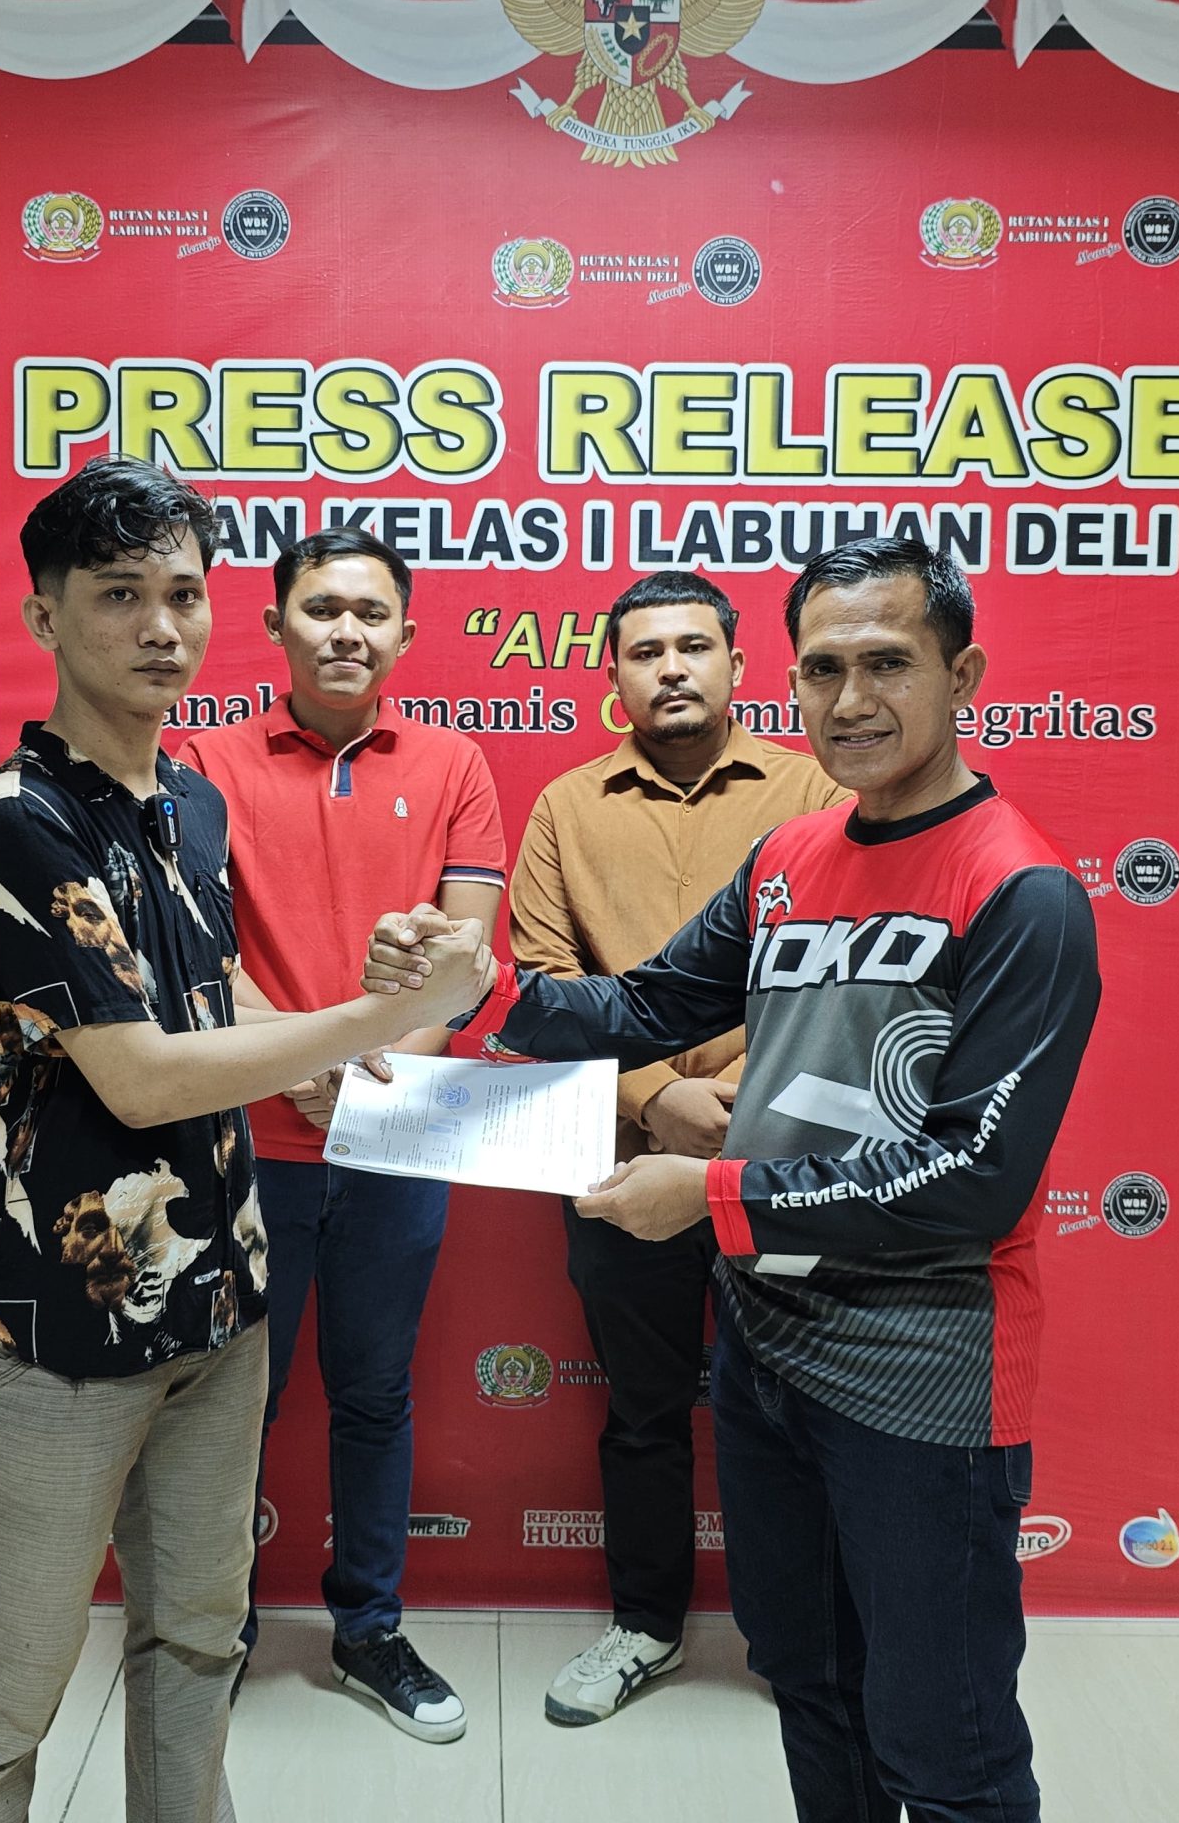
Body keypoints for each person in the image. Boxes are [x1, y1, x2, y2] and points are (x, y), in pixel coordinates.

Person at [369, 538, 1099, 1822]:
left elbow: (971, 1180)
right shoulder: (789, 859)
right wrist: (473, 983)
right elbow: (643, 1005)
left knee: (948, 1748)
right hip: (767, 1361)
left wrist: (705, 1198)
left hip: (919, 1378)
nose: (851, 700)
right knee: (810, 1686)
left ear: (963, 674)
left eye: (887, 664)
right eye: (823, 669)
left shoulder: (1021, 891)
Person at [0, 458, 491, 1823]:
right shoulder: (15, 820)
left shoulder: (190, 800)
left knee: (194, 1651)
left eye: (182, 594)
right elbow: (143, 1076)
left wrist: (351, 1046)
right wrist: (384, 1014)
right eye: (120, 596)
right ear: (46, 616)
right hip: (57, 1330)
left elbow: (214, 995)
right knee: (8, 1693)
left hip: (221, 1304)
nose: (161, 628)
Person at [179, 527, 506, 1744]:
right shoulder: (202, 762)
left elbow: (466, 961)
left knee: (374, 1395)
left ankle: (369, 1631)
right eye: (321, 608)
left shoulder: (455, 762)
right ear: (275, 626)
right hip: (246, 1147)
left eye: (371, 612)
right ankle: (211, 1631)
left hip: (393, 1141)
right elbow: (196, 953)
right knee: (233, 1405)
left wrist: (364, 1084)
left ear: (405, 635)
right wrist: (308, 1068)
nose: (346, 631)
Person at [506, 570, 847, 1726]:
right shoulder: (566, 807)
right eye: (644, 651)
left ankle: (804, 1638)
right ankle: (645, 1626)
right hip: (616, 1160)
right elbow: (542, 988)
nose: (670, 668)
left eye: (692, 646)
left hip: (785, 1157)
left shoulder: (816, 791)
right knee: (644, 1410)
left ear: (740, 667)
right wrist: (656, 1100)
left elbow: (850, 974)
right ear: (612, 675)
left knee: (803, 1407)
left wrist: (739, 1106)